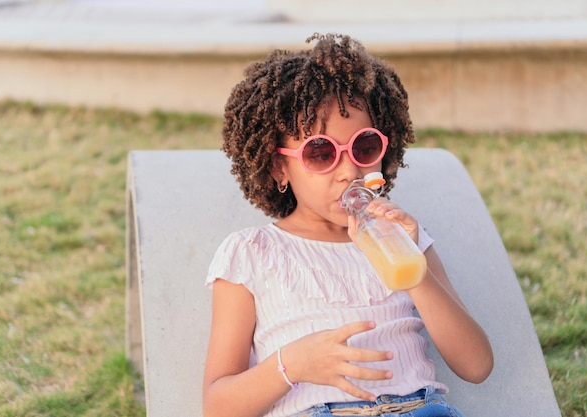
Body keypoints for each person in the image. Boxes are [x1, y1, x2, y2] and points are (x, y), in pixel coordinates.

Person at [203, 33, 493, 417]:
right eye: (321, 153)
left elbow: (476, 366)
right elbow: (217, 406)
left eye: (364, 147)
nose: (349, 170)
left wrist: (416, 273)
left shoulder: (404, 241)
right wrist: (291, 364)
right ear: (278, 167)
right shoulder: (252, 252)